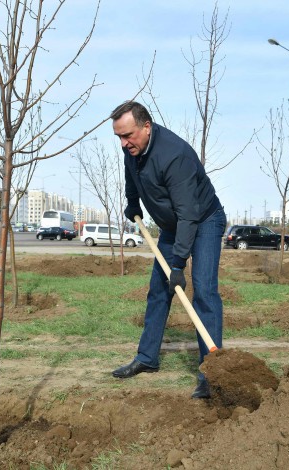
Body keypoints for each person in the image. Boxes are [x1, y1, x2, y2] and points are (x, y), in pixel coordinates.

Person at [109, 101, 226, 400]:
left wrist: (178, 265)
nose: (123, 143)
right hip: (173, 224)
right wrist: (132, 202)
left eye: (128, 135)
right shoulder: (132, 149)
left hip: (204, 220)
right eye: (119, 137)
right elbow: (132, 176)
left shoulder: (174, 155)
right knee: (158, 291)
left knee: (204, 291)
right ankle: (147, 358)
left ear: (146, 126)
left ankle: (211, 372)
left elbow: (189, 214)